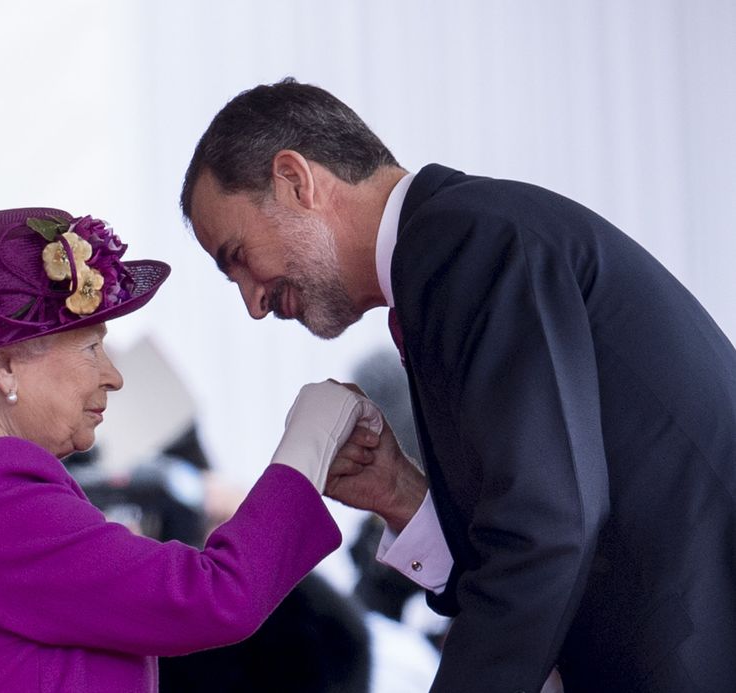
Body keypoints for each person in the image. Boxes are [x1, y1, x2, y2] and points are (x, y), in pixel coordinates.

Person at [181, 77, 736, 692]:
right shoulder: (450, 249)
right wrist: (399, 493)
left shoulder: (465, 242)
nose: (253, 302)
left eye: (236, 257)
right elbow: (542, 524)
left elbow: (547, 530)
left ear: (295, 180)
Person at [0, 207, 382, 692]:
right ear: (5, 363)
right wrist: (309, 447)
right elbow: (212, 597)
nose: (114, 376)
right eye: (91, 347)